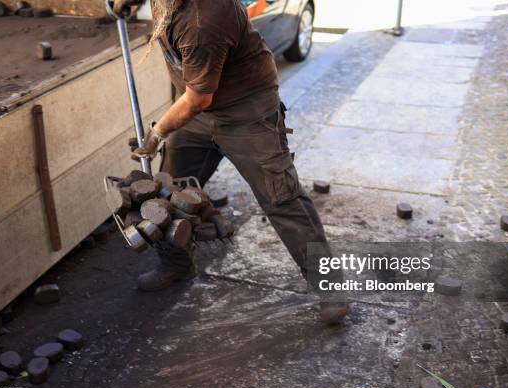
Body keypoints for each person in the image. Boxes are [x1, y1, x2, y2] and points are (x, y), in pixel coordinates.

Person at [113, 0, 347, 324]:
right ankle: (176, 265)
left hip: (247, 112)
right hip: (198, 113)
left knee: (282, 198)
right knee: (169, 191)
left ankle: (330, 287)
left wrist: (158, 132)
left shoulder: (205, 16)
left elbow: (198, 98)